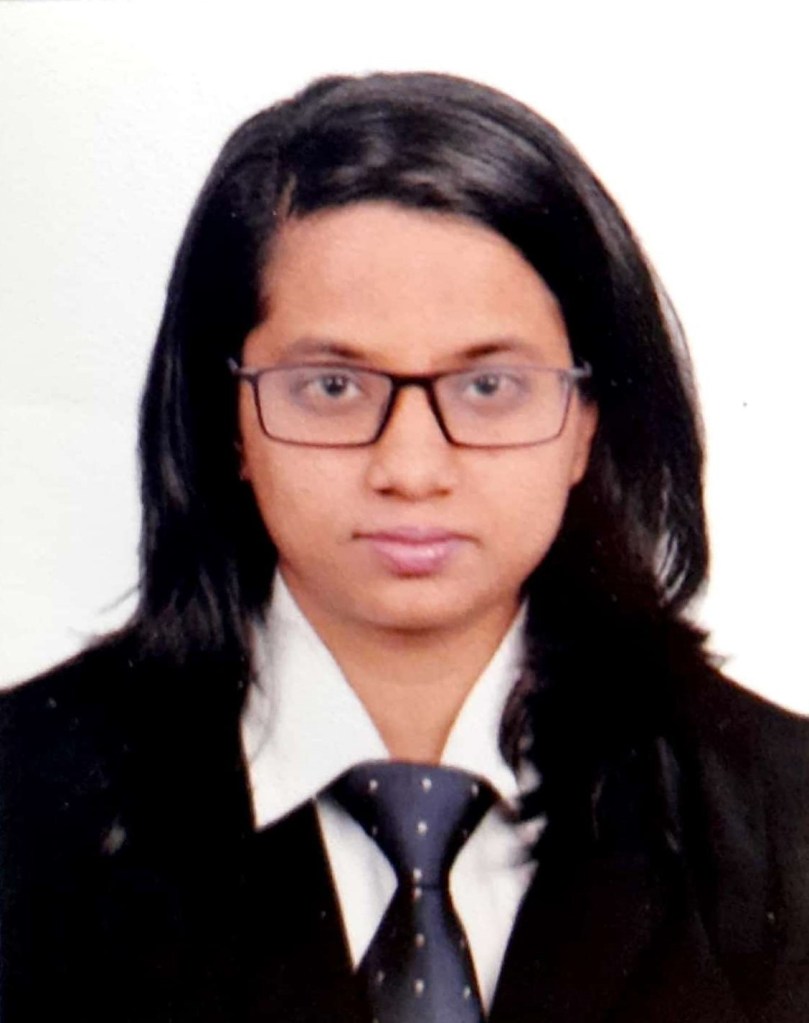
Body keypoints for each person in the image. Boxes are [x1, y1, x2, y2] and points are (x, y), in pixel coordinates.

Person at [0, 71, 807, 1023]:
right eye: (332, 386)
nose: (411, 469)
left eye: (489, 386)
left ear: (587, 419)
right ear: (228, 421)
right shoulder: (21, 799)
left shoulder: (782, 815)